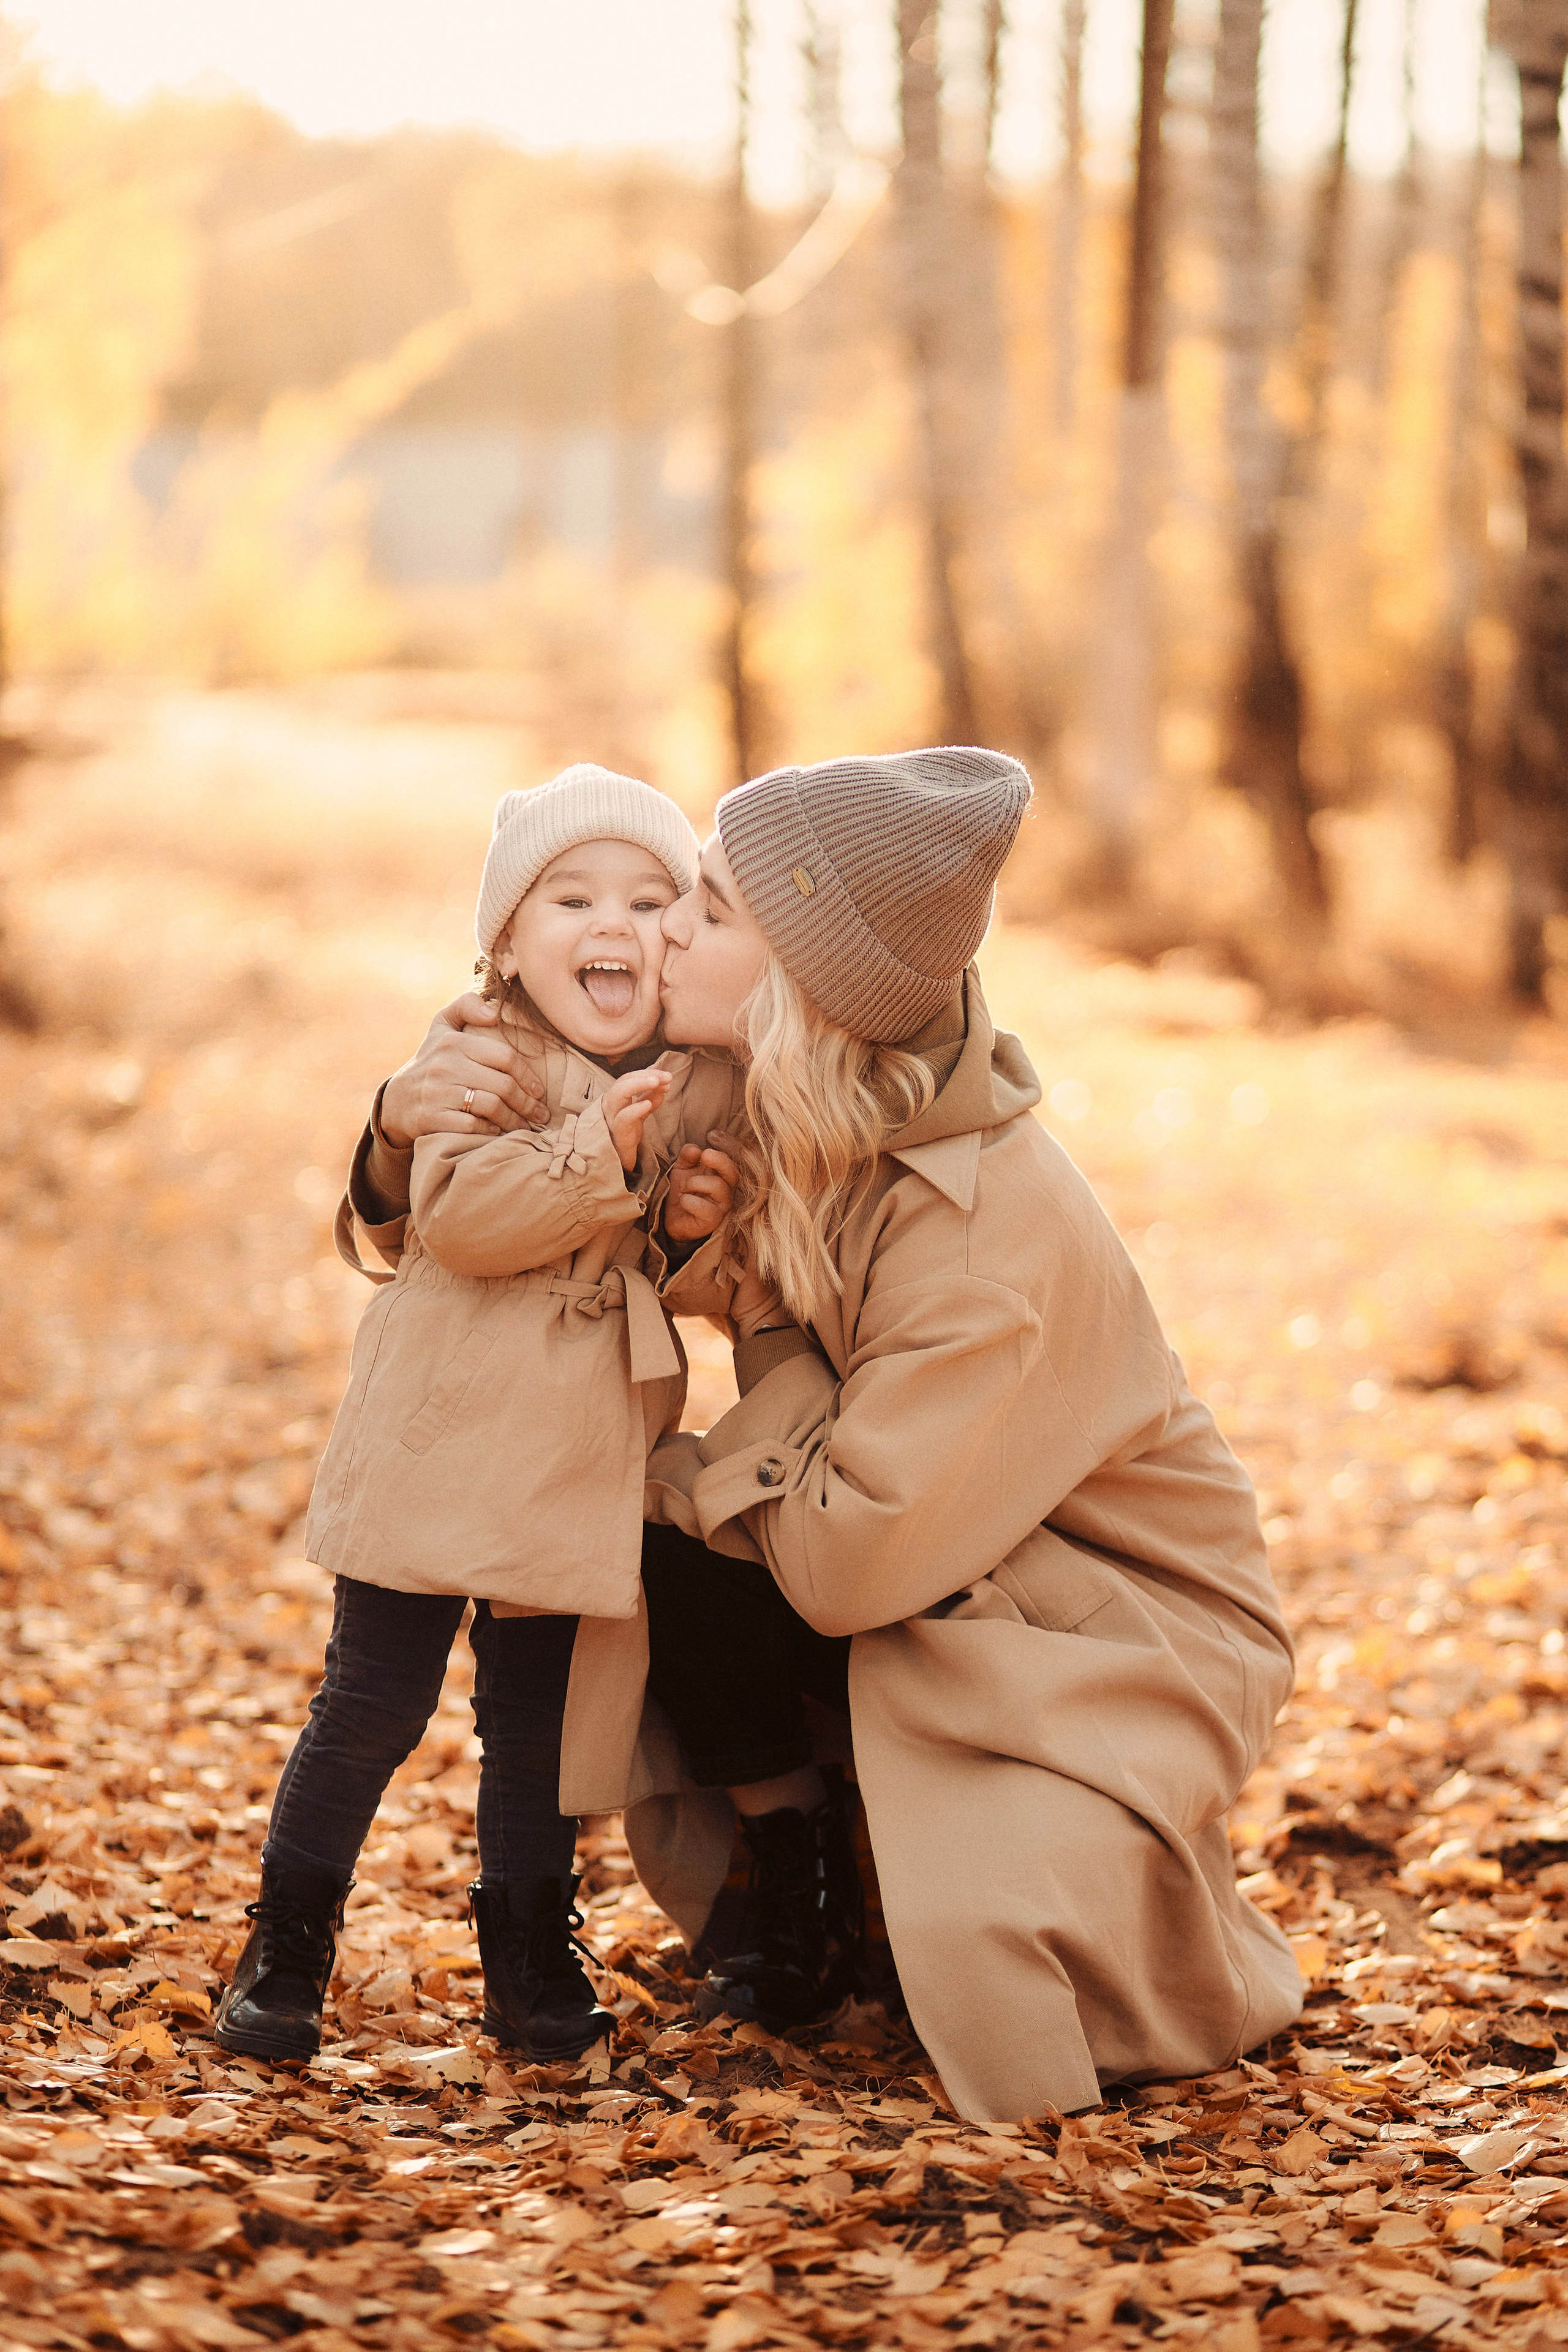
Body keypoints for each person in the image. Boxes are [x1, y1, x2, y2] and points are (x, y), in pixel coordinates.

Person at [361, 747, 1305, 2124]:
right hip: (946, 1561)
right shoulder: (781, 1092)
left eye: (712, 909)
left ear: (802, 982)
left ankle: (947, 1876)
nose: (664, 926)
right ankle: (797, 1868)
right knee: (631, 1532)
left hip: (1101, 1621)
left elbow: (847, 1562)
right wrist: (396, 1129)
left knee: (996, 1955)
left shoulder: (980, 1232)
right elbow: (495, 1222)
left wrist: (731, 1418)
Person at [216, 764, 758, 2067]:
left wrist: (687, 1231)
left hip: (571, 1460)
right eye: (568, 898)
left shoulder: (692, 1081)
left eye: (645, 897)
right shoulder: (480, 1054)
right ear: (507, 941)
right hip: (440, 1435)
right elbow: (460, 1222)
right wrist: (599, 1163)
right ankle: (288, 1937)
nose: (609, 925)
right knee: (371, 1703)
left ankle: (525, 1943)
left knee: (534, 1729)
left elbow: (672, 1285)